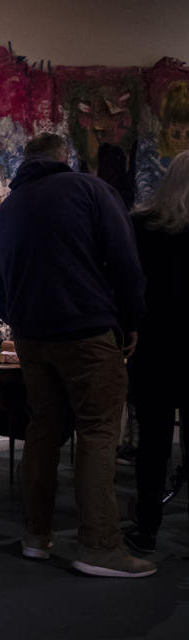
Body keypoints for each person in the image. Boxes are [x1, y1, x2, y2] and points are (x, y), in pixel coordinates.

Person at [0, 132, 155, 578]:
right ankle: (99, 545)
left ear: (26, 161)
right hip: (87, 331)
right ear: (65, 158)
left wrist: (22, 320)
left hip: (32, 339)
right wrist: (131, 319)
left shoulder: (5, 213)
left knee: (44, 429)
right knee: (98, 432)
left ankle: (36, 536)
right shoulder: (91, 191)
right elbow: (124, 260)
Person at [125, 150, 189, 553]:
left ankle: (147, 527)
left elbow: (129, 286)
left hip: (154, 348)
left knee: (153, 443)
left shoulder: (141, 226)